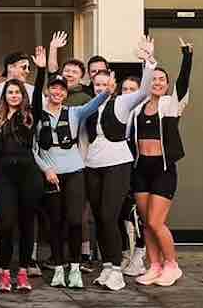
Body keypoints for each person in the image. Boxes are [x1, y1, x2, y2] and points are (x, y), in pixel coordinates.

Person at [32, 46, 112, 290]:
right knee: (55, 222)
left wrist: (107, 90)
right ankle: (58, 267)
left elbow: (95, 103)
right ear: (48, 91)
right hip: (52, 174)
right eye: (53, 88)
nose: (57, 92)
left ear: (65, 94)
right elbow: (35, 148)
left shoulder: (75, 113)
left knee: (75, 220)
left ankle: (75, 267)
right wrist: (46, 169)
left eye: (61, 89)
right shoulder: (38, 114)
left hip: (74, 171)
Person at [82, 38, 156, 291]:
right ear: (92, 86)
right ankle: (107, 266)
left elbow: (145, 90)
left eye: (105, 84)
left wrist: (147, 61)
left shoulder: (122, 103)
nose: (101, 87)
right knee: (99, 219)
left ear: (112, 84)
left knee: (109, 215)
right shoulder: (89, 108)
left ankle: (117, 269)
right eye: (96, 84)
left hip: (117, 164)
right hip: (93, 165)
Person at [128, 40, 192, 287]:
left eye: (161, 80)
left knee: (156, 222)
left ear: (166, 85)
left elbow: (184, 84)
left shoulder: (171, 105)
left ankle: (171, 265)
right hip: (141, 168)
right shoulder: (139, 108)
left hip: (163, 169)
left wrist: (187, 56)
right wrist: (147, 61)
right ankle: (154, 266)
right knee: (146, 224)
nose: (156, 83)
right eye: (153, 79)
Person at [0, 76, 41, 291]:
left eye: (17, 92)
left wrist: (42, 70)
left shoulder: (29, 114)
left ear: (23, 95)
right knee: (6, 224)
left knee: (27, 224)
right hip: (4, 175)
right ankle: (5, 272)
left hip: (28, 173)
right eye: (10, 92)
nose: (14, 95)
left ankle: (23, 272)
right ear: (5, 95)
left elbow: (37, 98)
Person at [0, 52, 34, 133]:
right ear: (10, 67)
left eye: (28, 68)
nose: (27, 71)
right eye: (24, 67)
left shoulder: (33, 91)